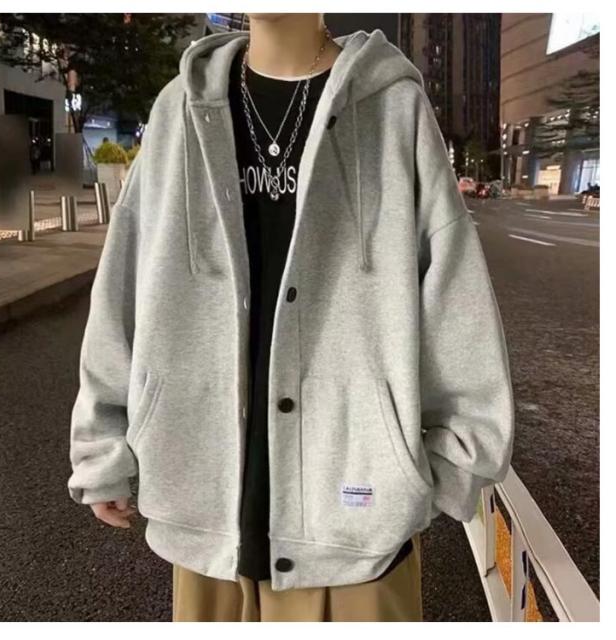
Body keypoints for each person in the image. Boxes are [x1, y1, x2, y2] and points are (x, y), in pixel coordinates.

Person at [67, 14, 515, 622]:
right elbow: (124, 284)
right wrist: (101, 444)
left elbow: (453, 289)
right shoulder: (179, 109)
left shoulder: (392, 107)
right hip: (204, 521)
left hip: (357, 530)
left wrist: (447, 466)